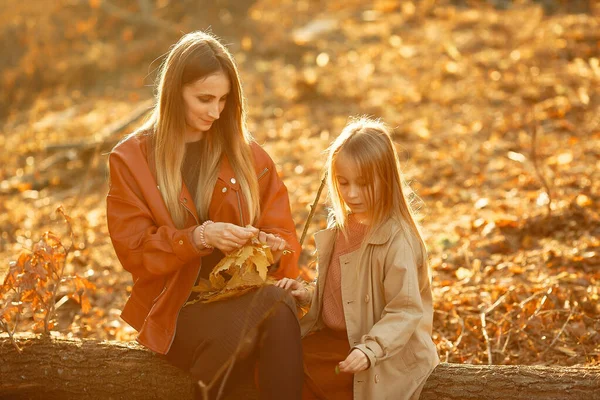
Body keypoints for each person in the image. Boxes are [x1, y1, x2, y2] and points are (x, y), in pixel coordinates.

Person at [106, 30, 303, 399]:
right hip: (175, 312)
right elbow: (134, 251)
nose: (215, 111)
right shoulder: (132, 160)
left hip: (244, 298)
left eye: (224, 100)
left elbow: (283, 233)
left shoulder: (248, 155)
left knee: (277, 308)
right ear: (174, 92)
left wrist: (272, 248)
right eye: (204, 99)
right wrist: (197, 237)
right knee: (271, 312)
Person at [277, 117, 439, 400]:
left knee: (308, 383)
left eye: (363, 183)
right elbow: (347, 297)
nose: (351, 193)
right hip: (340, 339)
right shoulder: (340, 226)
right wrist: (309, 295)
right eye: (343, 182)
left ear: (386, 178)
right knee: (274, 363)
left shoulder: (396, 239)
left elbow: (405, 310)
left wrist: (370, 350)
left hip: (381, 350)